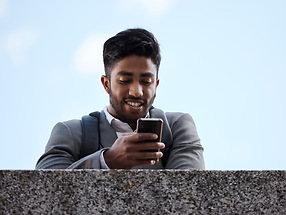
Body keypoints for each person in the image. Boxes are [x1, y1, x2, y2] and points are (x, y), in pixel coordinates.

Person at [36, 28, 204, 170]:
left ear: (156, 85)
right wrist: (107, 160)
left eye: (146, 81)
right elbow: (38, 190)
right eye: (125, 80)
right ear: (106, 84)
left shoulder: (177, 128)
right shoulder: (70, 133)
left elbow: (190, 194)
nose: (136, 91)